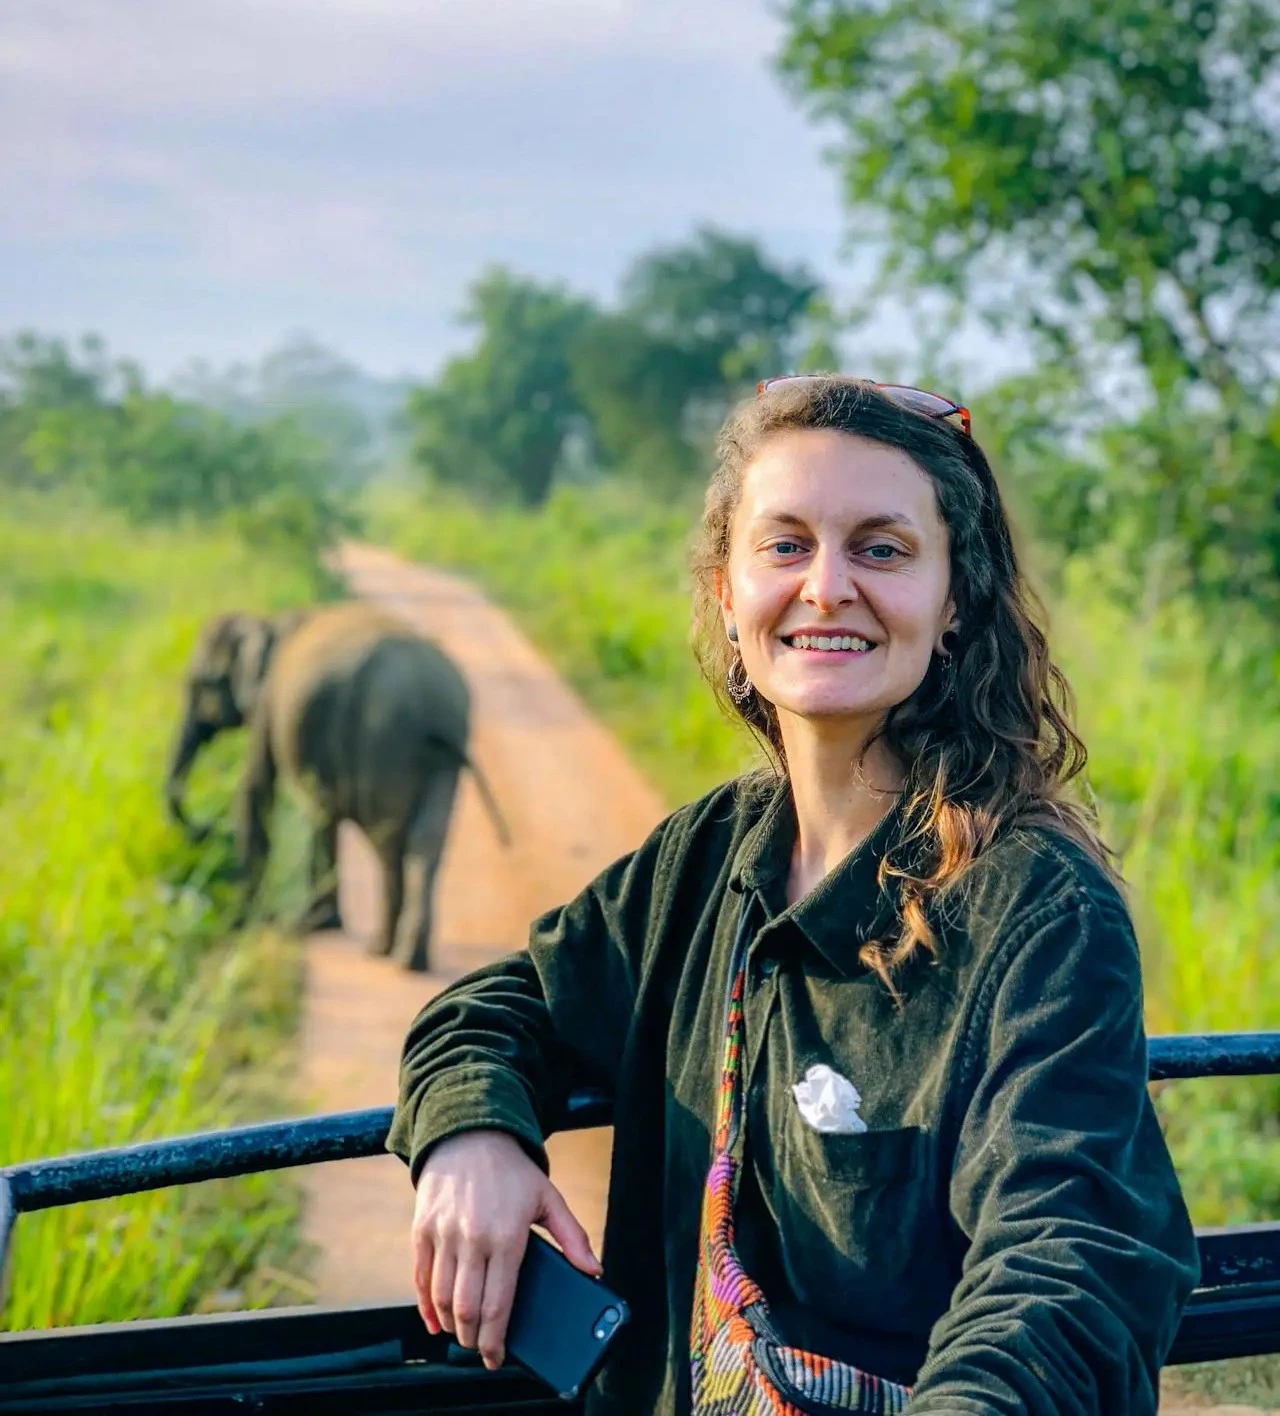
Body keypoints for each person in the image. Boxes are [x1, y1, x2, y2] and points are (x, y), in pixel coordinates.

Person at [386, 375, 1200, 1415]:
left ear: (954, 601)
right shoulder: (709, 852)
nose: (826, 588)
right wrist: (472, 1139)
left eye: (881, 549)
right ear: (727, 595)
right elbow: (496, 1007)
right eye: (784, 545)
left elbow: (1064, 1263)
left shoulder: (1036, 907)